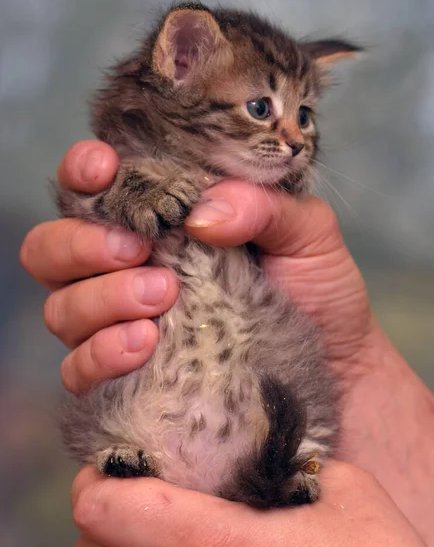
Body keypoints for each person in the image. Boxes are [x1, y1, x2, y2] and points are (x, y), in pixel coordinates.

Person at [20, 140, 434, 546]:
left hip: (257, 436)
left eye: (305, 118)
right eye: (258, 107)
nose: (294, 140)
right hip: (181, 433)